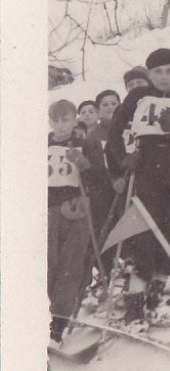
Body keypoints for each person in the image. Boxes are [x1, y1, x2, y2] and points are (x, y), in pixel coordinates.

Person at [106, 48, 170, 324]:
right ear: (149, 74)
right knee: (145, 229)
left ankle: (157, 289)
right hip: (147, 165)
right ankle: (136, 298)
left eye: (169, 71)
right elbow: (115, 133)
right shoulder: (137, 97)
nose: (164, 77)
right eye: (158, 72)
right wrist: (125, 158)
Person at [48, 100, 105, 346]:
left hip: (77, 209)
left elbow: (101, 179)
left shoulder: (87, 143)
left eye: (66, 120)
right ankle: (58, 308)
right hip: (48, 212)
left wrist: (84, 165)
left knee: (70, 265)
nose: (60, 126)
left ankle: (58, 323)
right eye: (55, 120)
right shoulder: (41, 145)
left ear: (74, 120)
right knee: (48, 266)